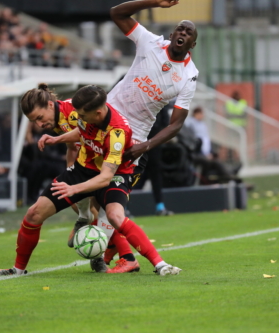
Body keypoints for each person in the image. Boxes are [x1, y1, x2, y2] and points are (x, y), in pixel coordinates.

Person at [0, 85, 181, 277]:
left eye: (38, 118)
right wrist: (57, 141)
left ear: (96, 113)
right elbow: (81, 132)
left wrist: (73, 189)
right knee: (34, 213)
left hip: (115, 172)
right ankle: (18, 269)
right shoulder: (83, 113)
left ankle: (157, 264)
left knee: (114, 216)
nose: (77, 119)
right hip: (84, 167)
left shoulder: (116, 133)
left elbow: (105, 177)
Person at [67, 0, 199, 273]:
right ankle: (102, 242)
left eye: (188, 32)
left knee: (109, 202)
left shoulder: (189, 76)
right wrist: (155, 3)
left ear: (191, 44)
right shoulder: (150, 42)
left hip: (132, 140)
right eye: (179, 29)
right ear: (172, 34)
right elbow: (117, 12)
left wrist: (144, 146)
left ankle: (108, 252)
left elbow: (176, 125)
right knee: (80, 182)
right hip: (100, 125)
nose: (182, 33)